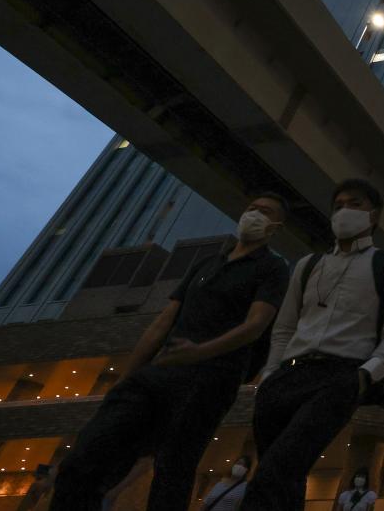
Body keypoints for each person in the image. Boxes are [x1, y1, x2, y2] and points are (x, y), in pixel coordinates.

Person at [52, 193, 291, 511]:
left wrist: (201, 352)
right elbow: (162, 323)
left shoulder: (272, 268)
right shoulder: (207, 264)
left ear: (275, 227)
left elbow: (256, 325)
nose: (255, 215)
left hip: (210, 381)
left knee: (172, 470)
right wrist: (126, 380)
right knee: (85, 456)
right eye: (251, 208)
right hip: (159, 373)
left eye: (265, 212)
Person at [243, 178, 384, 510]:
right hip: (286, 376)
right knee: (284, 476)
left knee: (275, 472)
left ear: (374, 216)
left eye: (356, 204)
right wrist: (270, 373)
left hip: (339, 376)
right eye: (338, 205)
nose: (345, 211)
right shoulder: (308, 265)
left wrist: (364, 376)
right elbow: (285, 327)